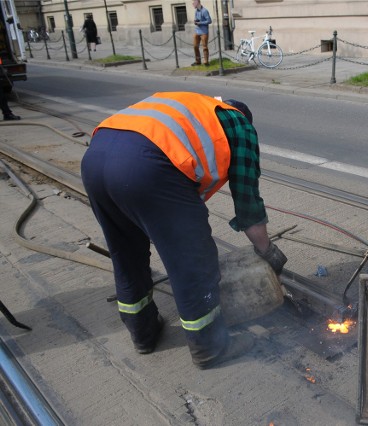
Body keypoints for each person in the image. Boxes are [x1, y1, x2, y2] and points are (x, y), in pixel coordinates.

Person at [81, 93, 287, 369]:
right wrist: (267, 250)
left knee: (126, 253)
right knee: (193, 258)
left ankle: (143, 333)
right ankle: (210, 347)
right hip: (146, 166)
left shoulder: (194, 108)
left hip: (95, 158)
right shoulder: (240, 125)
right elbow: (248, 205)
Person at [192, 0, 212, 66]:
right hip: (197, 31)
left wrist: (200, 23)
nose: (193, 4)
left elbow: (209, 21)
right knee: (195, 46)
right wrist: (195, 21)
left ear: (198, 3)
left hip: (204, 32)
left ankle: (206, 61)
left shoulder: (205, 11)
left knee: (204, 47)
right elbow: (196, 19)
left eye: (194, 2)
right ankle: (198, 61)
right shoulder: (196, 11)